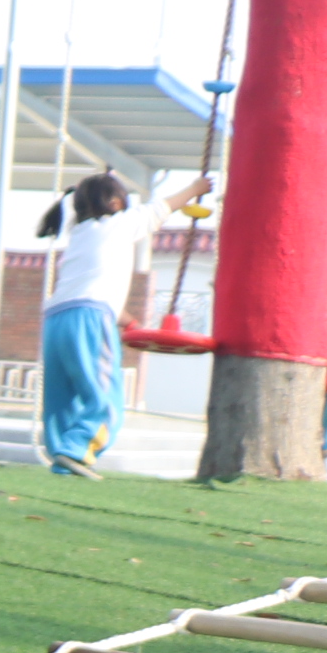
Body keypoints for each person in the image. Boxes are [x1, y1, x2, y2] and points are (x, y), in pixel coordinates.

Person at [33, 167, 204, 476]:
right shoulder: (119, 224)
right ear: (114, 202)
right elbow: (160, 209)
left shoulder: (80, 235)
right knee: (104, 394)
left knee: (61, 396)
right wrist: (194, 188)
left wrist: (128, 321)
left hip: (56, 320)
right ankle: (78, 449)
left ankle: (63, 457)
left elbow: (89, 286)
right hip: (90, 317)